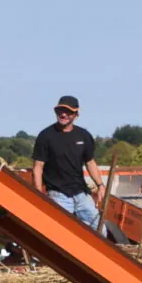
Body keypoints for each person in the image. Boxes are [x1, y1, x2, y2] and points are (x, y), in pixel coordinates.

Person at [31, 96, 105, 231]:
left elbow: (90, 162)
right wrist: (38, 193)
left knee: (100, 230)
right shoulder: (46, 136)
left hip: (81, 193)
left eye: (68, 112)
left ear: (76, 114)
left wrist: (100, 185)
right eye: (60, 111)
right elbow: (38, 167)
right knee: (65, 233)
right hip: (58, 194)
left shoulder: (84, 135)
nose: (63, 114)